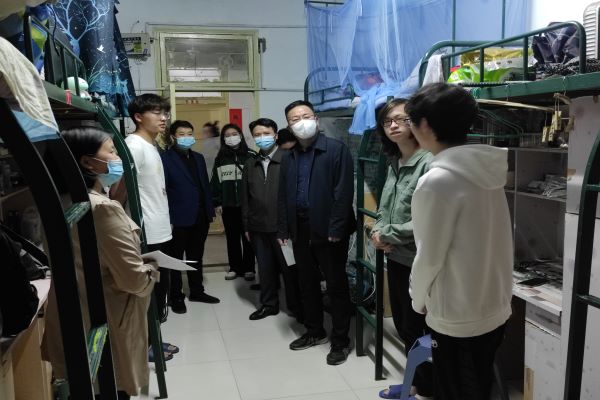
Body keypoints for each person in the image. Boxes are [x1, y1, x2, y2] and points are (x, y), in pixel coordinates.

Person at [406, 83, 513, 400]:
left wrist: (417, 298)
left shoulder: (437, 180)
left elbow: (429, 256)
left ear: (425, 125)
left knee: (455, 389)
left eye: (411, 121)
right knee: (478, 384)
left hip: (457, 313)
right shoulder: (486, 170)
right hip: (492, 303)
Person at [43, 127, 159, 400]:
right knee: (111, 388)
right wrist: (151, 270)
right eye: (112, 151)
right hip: (106, 319)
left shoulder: (58, 203)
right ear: (88, 162)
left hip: (73, 319)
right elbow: (133, 280)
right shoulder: (102, 208)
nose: (118, 158)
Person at [277, 100, 356, 365]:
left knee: (336, 285)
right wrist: (283, 228)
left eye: (305, 116)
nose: (301, 122)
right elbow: (282, 196)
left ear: (316, 119)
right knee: (306, 283)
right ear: (289, 126)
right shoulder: (288, 157)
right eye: (294, 119)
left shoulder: (335, 149)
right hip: (299, 230)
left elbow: (343, 192)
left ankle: (341, 341)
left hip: (329, 231)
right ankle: (315, 331)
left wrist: (336, 228)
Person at [370, 99, 434, 400]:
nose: (393, 125)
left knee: (419, 329)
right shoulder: (395, 162)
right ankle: (417, 383)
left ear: (417, 122)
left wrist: (388, 234)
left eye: (401, 119)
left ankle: (428, 387)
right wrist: (377, 231)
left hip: (419, 261)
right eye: (387, 121)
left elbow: (427, 219)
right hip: (396, 256)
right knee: (404, 326)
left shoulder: (429, 163)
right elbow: (385, 208)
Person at [125, 93, 177, 360]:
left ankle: (154, 339)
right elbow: (120, 189)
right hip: (145, 230)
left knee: (159, 290)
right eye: (156, 113)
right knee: (147, 291)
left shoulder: (151, 145)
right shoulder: (133, 145)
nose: (163, 118)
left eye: (165, 113)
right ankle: (145, 345)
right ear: (138, 117)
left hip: (159, 227)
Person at [241, 118, 302, 321]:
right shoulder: (250, 164)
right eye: (257, 135)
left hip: (283, 229)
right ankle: (269, 305)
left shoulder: (290, 158)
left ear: (275, 135)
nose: (262, 138)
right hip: (258, 227)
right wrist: (246, 225)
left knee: (290, 270)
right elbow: (246, 198)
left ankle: (296, 307)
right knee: (265, 270)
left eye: (266, 133)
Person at [161, 120, 220, 314]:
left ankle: (197, 291)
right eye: (182, 134)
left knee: (196, 256)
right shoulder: (164, 158)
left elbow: (204, 186)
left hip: (200, 216)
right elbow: (162, 190)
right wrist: (167, 219)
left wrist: (209, 211)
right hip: (177, 217)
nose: (187, 138)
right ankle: (176, 296)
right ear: (173, 137)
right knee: (176, 258)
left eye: (189, 134)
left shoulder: (199, 157)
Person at [210, 123, 256, 281]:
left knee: (248, 237)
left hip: (247, 206)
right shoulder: (220, 159)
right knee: (232, 238)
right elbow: (215, 182)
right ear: (223, 139)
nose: (231, 137)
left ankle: (249, 268)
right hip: (228, 205)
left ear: (241, 135)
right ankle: (235, 267)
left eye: (234, 134)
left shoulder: (251, 155)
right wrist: (217, 202)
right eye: (227, 135)